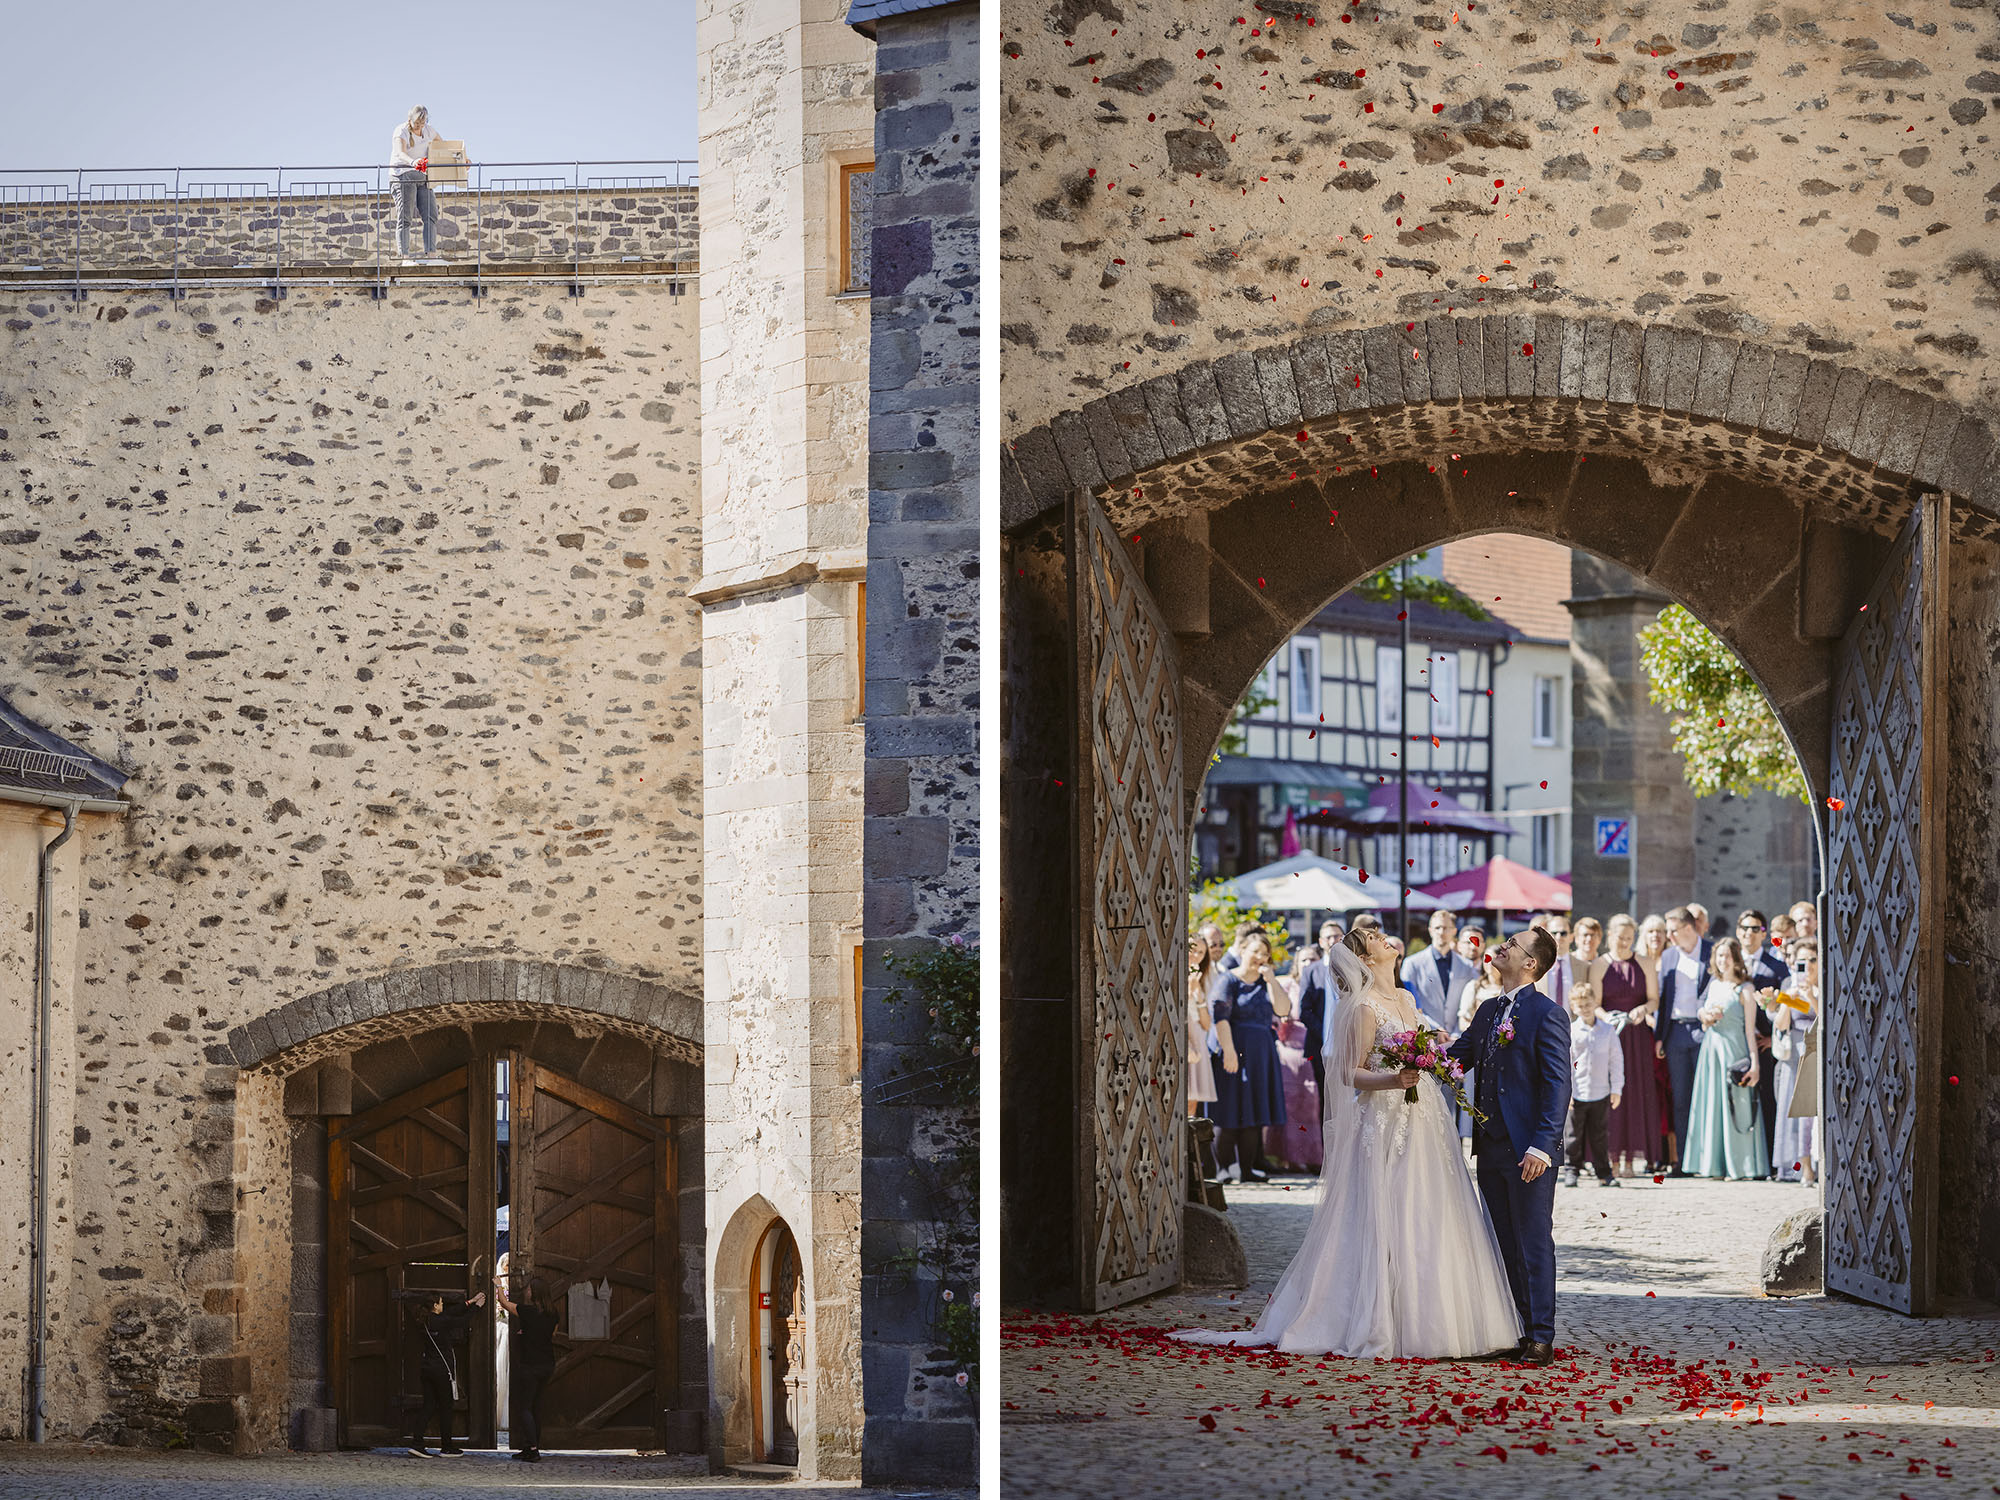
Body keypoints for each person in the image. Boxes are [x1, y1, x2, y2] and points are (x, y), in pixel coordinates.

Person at [1168, 923, 1522, 1359]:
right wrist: (1394, 1078)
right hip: (1384, 1118)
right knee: (1384, 1209)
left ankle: (1446, 1319)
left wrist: (1433, 1056)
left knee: (1431, 1206)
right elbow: (1347, 1073)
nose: (1383, 938)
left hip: (1425, 1116)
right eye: (1373, 939)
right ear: (1365, 960)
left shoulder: (1407, 999)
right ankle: (1381, 1316)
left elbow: (1421, 1051)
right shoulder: (1363, 1008)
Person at [1450, 926, 1570, 1365]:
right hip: (1491, 1146)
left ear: (1530, 964)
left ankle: (1541, 1336)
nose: (1501, 945)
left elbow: (1558, 1085)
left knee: (1533, 1241)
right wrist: (1408, 1051)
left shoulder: (1547, 1013)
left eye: (1512, 944)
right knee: (1502, 1242)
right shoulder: (1486, 1011)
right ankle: (1514, 1329)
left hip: (1529, 1152)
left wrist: (1542, 1146)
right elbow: (1455, 1059)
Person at [1681, 938, 1768, 1179]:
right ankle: (1713, 1164)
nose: (1723, 960)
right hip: (1711, 1052)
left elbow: (1750, 1030)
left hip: (1734, 1051)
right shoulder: (1714, 983)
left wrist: (1755, 1064)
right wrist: (1705, 1016)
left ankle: (1740, 1166)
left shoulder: (1746, 989)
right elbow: (1701, 1010)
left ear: (1736, 958)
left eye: (1728, 955)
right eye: (1719, 955)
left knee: (1737, 1106)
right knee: (1712, 1106)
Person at [1209, 931, 1290, 1182]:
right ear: (1242, 950)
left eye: (1265, 954)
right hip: (1233, 1048)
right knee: (1230, 1109)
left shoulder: (1266, 981)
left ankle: (1247, 1169)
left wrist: (1272, 981)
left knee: (1255, 1110)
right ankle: (1223, 1168)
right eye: (1256, 951)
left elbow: (1283, 1009)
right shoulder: (1228, 980)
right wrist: (1229, 1052)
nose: (1260, 957)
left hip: (1261, 1054)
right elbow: (1219, 1017)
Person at [1592, 913, 1662, 1175]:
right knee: (1611, 1094)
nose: (1624, 943)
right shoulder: (1600, 964)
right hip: (1610, 1035)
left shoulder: (1644, 963)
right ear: (1610, 936)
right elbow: (1595, 1004)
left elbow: (1654, 999)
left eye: (1629, 939)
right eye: (1620, 938)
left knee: (1635, 1093)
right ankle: (1611, 1158)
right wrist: (1606, 1017)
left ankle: (1632, 1159)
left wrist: (1643, 1010)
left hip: (1637, 1037)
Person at [1655, 906, 1712, 1176]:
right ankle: (1683, 1161)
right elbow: (1664, 999)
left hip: (1704, 1030)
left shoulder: (1711, 951)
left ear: (1688, 928)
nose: (1669, 935)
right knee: (1680, 1098)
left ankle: (1707, 1158)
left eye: (1672, 930)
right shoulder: (1668, 956)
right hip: (1676, 1032)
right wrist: (1659, 1037)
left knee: (1706, 1096)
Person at [1737, 909, 1789, 1175]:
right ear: (1738, 932)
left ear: (1764, 933)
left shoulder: (1776, 966)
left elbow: (1787, 1003)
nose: (1749, 933)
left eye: (1755, 929)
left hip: (1767, 1045)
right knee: (1740, 1102)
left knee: (1769, 1101)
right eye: (1745, 928)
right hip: (1738, 1043)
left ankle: (1769, 1161)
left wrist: (1771, 1037)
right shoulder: (1732, 964)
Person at [408, 1288, 486, 1457]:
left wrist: (470, 1302)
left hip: (426, 1368)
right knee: (446, 1407)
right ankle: (447, 1447)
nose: (443, 1305)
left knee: (428, 1406)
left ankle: (417, 1442)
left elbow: (451, 1312)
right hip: (442, 1370)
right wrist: (477, 1307)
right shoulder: (441, 1321)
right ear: (435, 1306)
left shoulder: (423, 1320)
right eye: (441, 1303)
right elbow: (462, 1321)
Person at [1560, 981, 1623, 1188]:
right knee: (1572, 1136)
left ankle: (1604, 1173)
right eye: (1580, 1006)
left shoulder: (1607, 1031)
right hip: (1577, 1092)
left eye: (1588, 1004)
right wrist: (1565, 1091)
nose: (1585, 1009)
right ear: (1573, 1007)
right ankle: (1572, 1170)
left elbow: (1616, 1060)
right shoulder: (1571, 1031)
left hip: (1600, 1091)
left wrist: (1616, 1089)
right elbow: (1566, 1063)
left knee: (1599, 1136)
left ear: (1595, 1003)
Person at [493, 1274, 557, 1463]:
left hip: (531, 1365)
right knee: (536, 1406)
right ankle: (530, 1446)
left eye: (529, 1289)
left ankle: (533, 1448)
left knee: (525, 1407)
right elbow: (551, 1334)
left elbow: (504, 1303)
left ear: (534, 1293)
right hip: (547, 1364)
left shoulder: (527, 1311)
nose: (526, 1291)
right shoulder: (553, 1313)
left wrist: (498, 1285)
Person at [1772, 937, 1820, 1184]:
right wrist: (1787, 999)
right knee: (1792, 1111)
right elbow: (1781, 1025)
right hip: (1794, 1052)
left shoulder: (1824, 983)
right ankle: (1799, 1166)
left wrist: (1812, 997)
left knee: (1811, 1113)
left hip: (1815, 1049)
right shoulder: (1789, 984)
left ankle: (1813, 1167)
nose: (1808, 966)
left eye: (1813, 959)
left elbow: (1826, 1017)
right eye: (1802, 961)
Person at [1401, 908, 1479, 1038]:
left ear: (1454, 931)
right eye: (1437, 928)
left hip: (1458, 1038)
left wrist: (1457, 1033)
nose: (1441, 932)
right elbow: (1407, 1003)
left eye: (1446, 928)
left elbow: (1471, 1003)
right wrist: (1432, 1029)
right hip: (1425, 1038)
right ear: (1430, 930)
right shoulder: (1412, 963)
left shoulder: (1467, 966)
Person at [390, 105, 444, 263]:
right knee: (405, 216)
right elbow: (400, 153)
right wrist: (413, 162)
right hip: (403, 176)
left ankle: (431, 255)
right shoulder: (401, 131)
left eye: (423, 123)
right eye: (417, 124)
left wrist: (462, 160)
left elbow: (444, 147)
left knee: (431, 214)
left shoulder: (429, 131)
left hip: (424, 177)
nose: (420, 127)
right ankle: (405, 257)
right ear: (410, 120)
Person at [1187, 933, 1218, 1118]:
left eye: (1201, 952)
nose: (1196, 955)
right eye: (1193, 950)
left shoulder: (1202, 979)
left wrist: (1196, 991)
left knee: (1192, 1102)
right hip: (1183, 1036)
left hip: (1197, 1036)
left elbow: (1207, 1024)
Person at [1530, 912, 1576, 1010]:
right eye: (1554, 933)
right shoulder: (1533, 966)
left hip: (1573, 1023)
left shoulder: (1584, 967)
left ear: (1571, 937)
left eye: (1563, 933)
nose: (1559, 937)